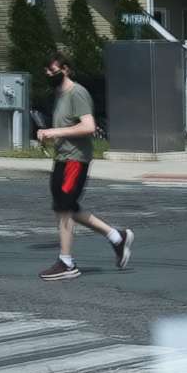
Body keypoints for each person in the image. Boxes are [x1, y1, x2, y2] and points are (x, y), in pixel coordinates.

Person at [35, 54, 130, 281]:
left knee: (64, 208)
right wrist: (47, 134)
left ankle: (66, 262)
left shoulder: (77, 93)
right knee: (67, 207)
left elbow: (88, 126)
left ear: (66, 69)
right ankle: (117, 237)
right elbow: (67, 125)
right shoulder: (58, 95)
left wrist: (54, 132)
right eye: (46, 72)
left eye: (53, 71)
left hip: (75, 160)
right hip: (61, 158)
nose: (49, 75)